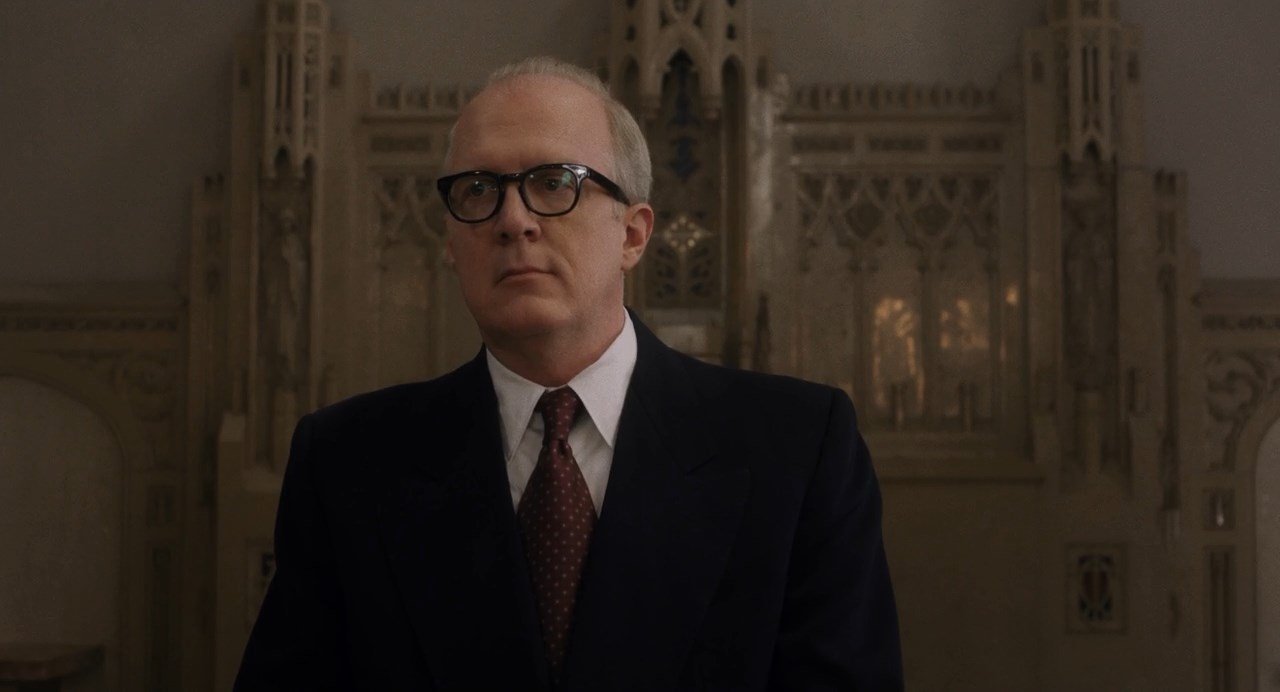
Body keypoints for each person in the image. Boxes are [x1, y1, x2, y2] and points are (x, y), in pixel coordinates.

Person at [235, 56, 902, 691]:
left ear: (633, 234)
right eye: (478, 190)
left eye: (554, 183)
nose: (512, 220)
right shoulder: (347, 463)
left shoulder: (798, 450)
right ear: (450, 243)